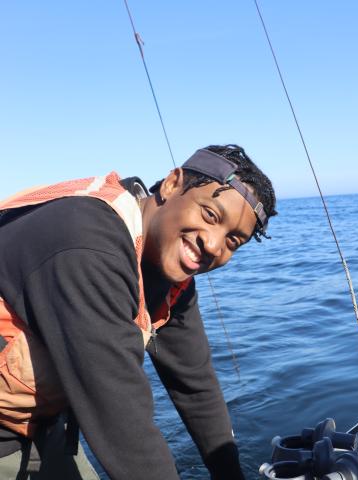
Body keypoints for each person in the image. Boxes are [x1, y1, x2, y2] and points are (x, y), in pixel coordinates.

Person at [0, 144, 277, 479]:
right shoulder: (88, 245)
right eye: (210, 215)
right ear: (173, 184)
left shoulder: (168, 272)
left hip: (43, 428)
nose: (214, 245)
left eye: (233, 241)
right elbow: (121, 417)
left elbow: (196, 386)